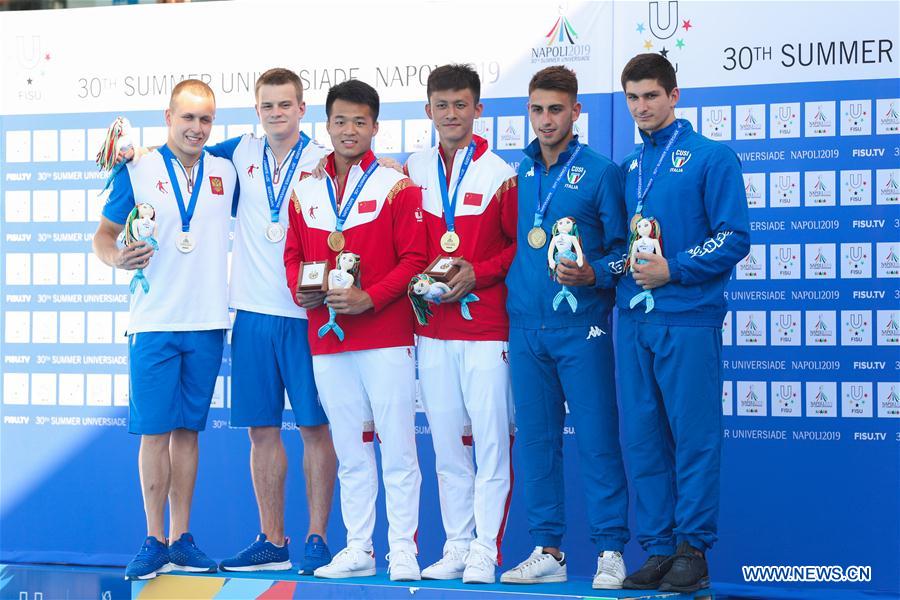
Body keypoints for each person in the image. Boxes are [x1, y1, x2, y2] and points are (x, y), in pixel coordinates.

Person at [92, 79, 237, 580]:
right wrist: (119, 258)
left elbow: (288, 150)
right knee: (154, 434)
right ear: (168, 116)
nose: (196, 128)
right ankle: (153, 540)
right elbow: (104, 236)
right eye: (188, 117)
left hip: (208, 321)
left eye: (205, 120)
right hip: (153, 323)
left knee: (187, 433)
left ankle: (182, 538)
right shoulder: (138, 167)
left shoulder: (226, 168)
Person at [283, 79, 427, 582]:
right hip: (327, 336)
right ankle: (359, 545)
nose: (349, 131)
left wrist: (371, 296)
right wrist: (301, 290)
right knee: (350, 448)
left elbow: (415, 259)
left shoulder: (397, 186)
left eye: (359, 122)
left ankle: (404, 548)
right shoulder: (304, 190)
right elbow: (295, 257)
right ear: (326, 126)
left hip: (385, 334)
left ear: (375, 127)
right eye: (340, 121)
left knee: (397, 446)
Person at [616, 53, 749, 593]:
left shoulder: (711, 157)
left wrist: (677, 268)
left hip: (689, 317)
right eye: (633, 97)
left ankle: (693, 549)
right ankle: (658, 547)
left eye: (651, 95)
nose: (642, 106)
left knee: (692, 437)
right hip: (633, 320)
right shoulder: (628, 167)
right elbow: (619, 248)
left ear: (674, 95)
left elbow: (733, 235)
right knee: (644, 438)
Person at [200, 68, 338, 575]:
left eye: (286, 104)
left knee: (315, 429)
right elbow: (181, 152)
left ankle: (318, 538)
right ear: (256, 111)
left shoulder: (326, 160)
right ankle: (272, 540)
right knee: (261, 431)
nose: (276, 113)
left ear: (303, 109)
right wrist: (135, 154)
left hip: (308, 317)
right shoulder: (238, 152)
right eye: (267, 106)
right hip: (253, 315)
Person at [501, 66, 630, 589]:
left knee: (598, 440)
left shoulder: (601, 172)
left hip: (583, 331)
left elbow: (624, 254)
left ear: (576, 112)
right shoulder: (520, 173)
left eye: (556, 109)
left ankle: (610, 551)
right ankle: (548, 550)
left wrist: (595, 272)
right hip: (526, 331)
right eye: (537, 109)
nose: (546, 119)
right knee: (536, 443)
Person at [402, 64, 517, 585]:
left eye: (461, 105)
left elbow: (521, 249)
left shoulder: (502, 173)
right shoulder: (413, 168)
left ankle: (486, 552)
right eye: (441, 106)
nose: (451, 115)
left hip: (486, 328)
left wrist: (482, 271)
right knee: (447, 445)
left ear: (478, 109)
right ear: (428, 111)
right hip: (432, 329)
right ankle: (456, 544)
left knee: (492, 443)